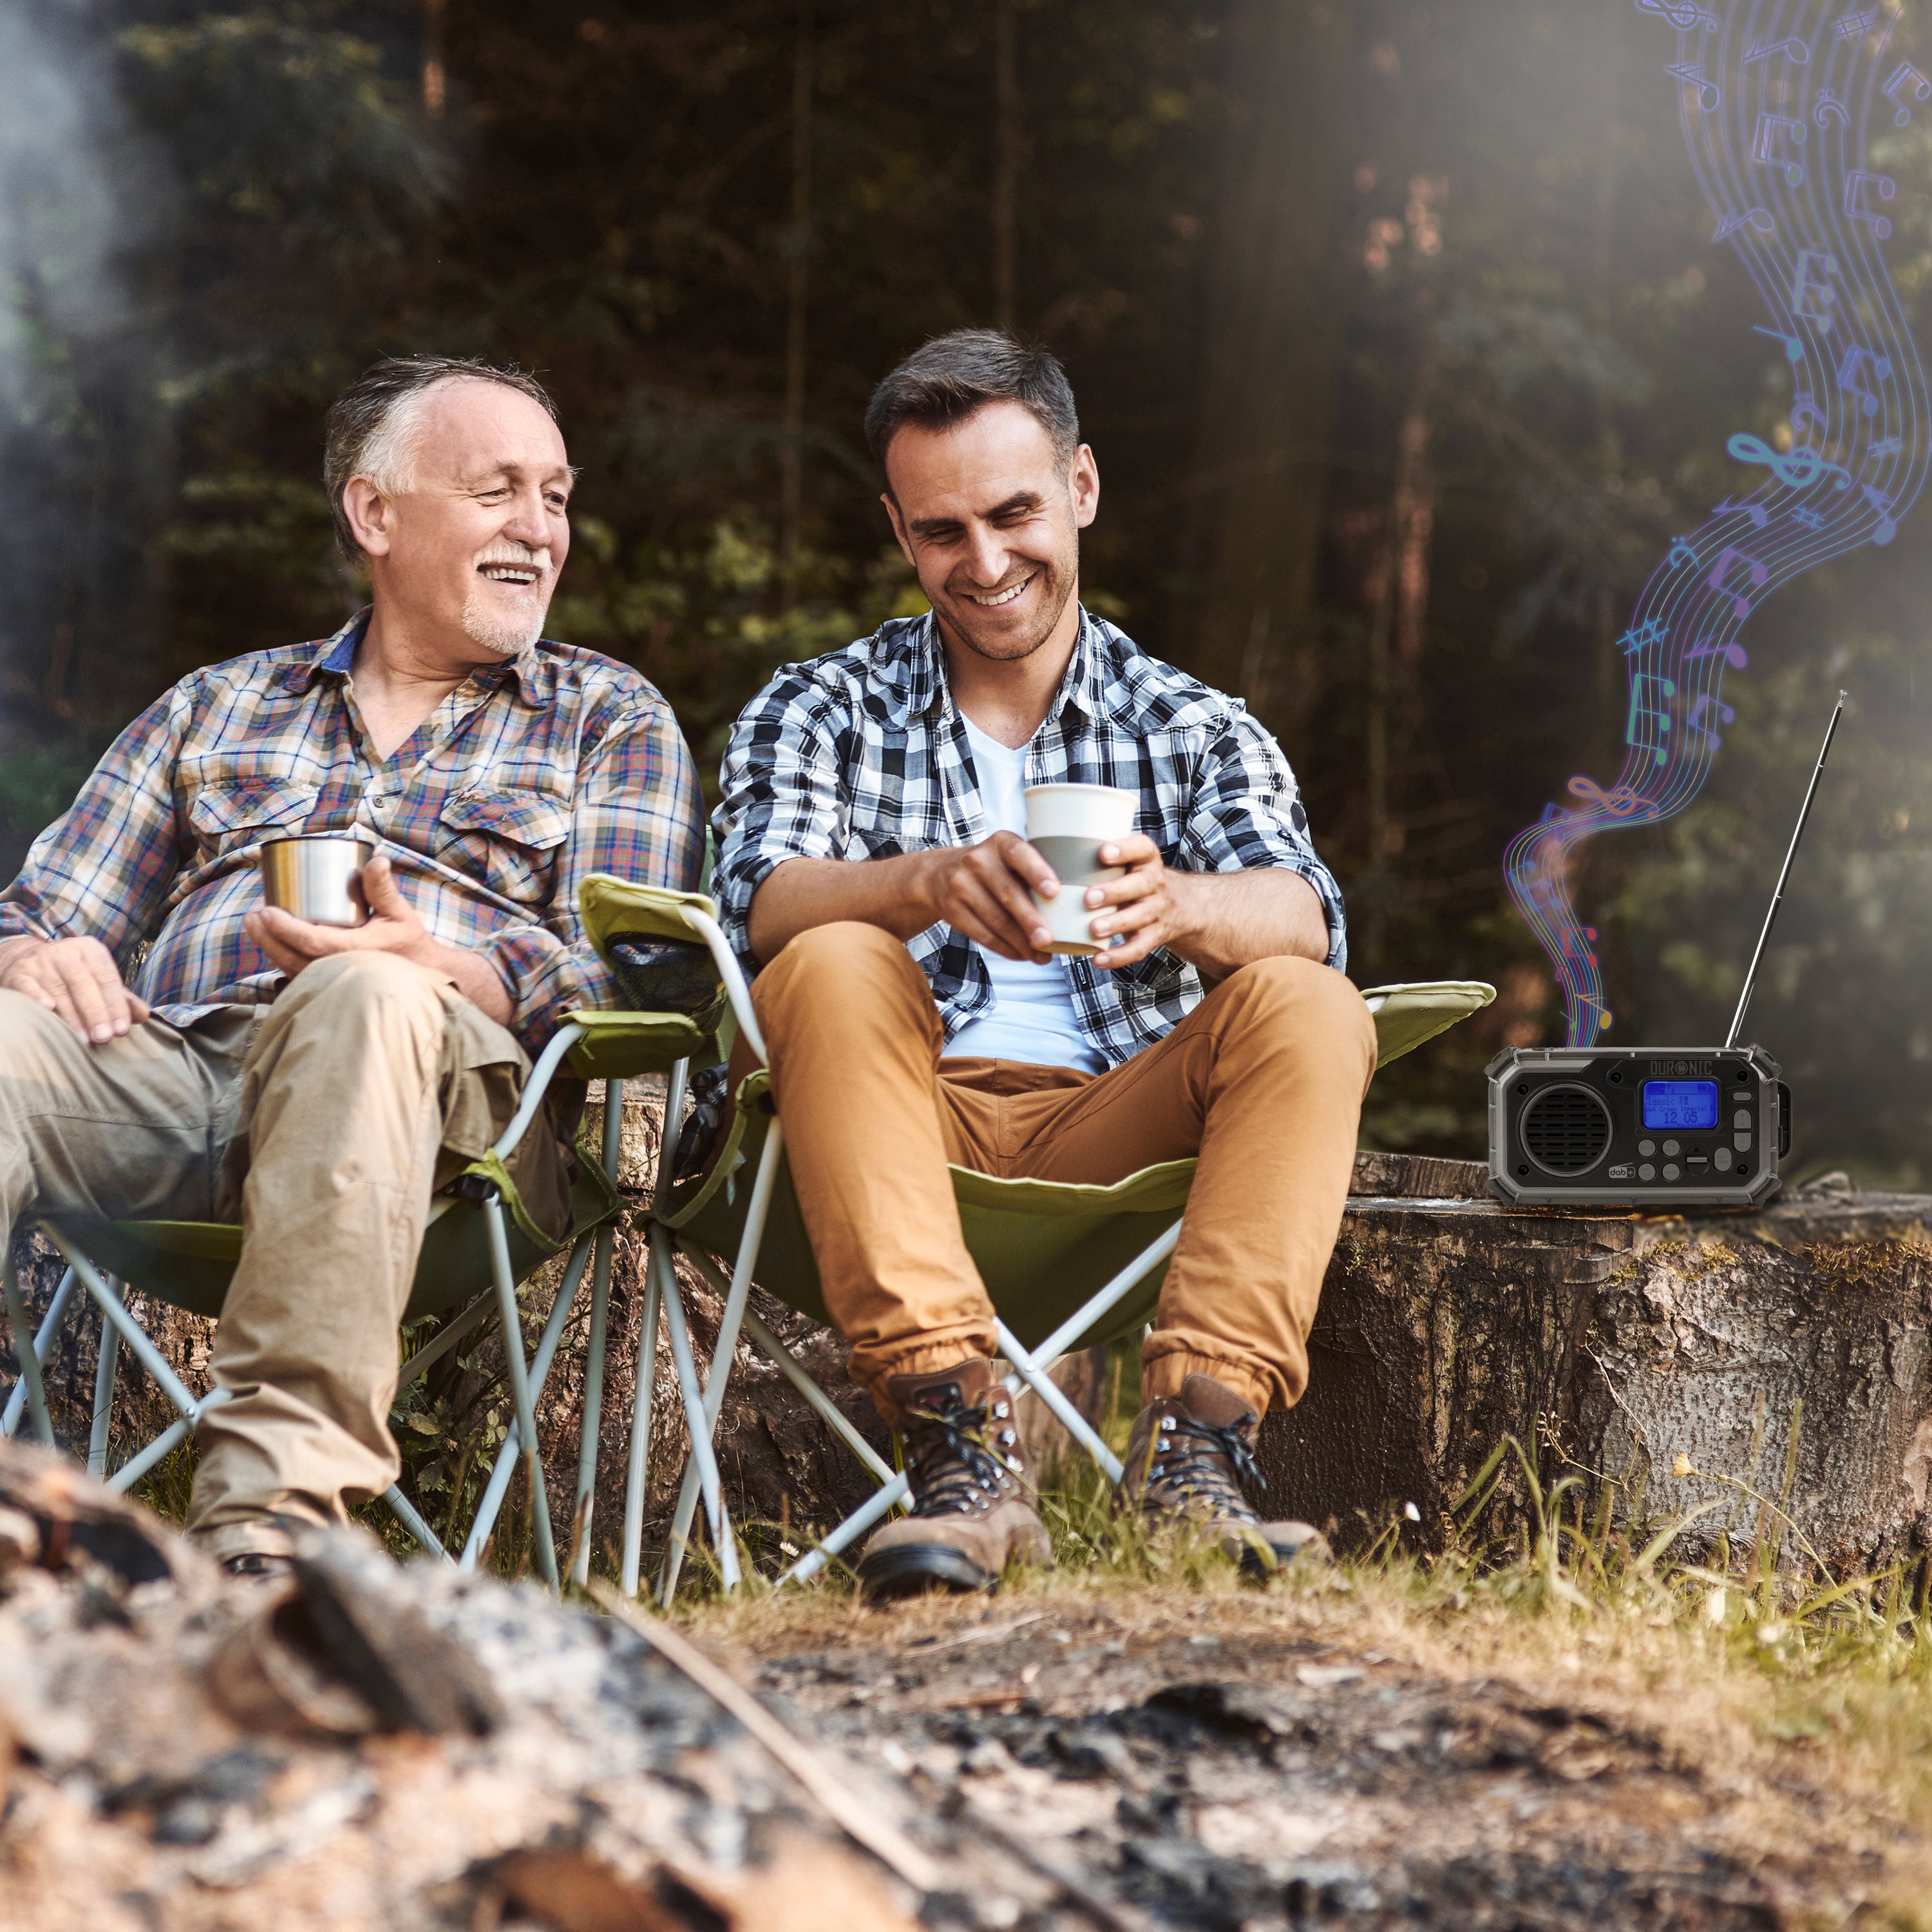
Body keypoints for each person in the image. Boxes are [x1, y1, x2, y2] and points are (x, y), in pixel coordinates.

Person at [0, 356, 703, 1574]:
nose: (539, 529)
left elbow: (642, 984)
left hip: (458, 1118)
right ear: (374, 514)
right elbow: (40, 908)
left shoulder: (606, 715)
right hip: (185, 1079)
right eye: (498, 492)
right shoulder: (217, 705)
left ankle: (271, 1529)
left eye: (556, 496)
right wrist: (33, 956)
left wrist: (449, 963)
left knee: (365, 989)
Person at [713, 329, 1376, 1601]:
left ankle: (1199, 1455)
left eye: (1013, 513)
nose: (986, 562)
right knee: (829, 956)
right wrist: (922, 883)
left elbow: (1308, 912)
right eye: (942, 531)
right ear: (900, 533)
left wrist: (1180, 904)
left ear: (1080, 487)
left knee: (1306, 1001)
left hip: (1112, 1127)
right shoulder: (824, 707)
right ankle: (961, 1455)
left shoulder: (1189, 722)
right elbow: (756, 896)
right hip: (895, 1123)